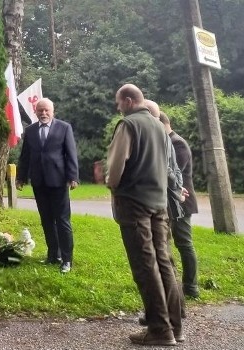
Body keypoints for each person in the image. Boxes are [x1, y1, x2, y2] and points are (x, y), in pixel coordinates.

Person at [106, 84, 183, 346]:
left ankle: (159, 330)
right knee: (164, 262)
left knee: (145, 265)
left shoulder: (128, 125)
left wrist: (109, 182)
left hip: (134, 203)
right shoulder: (160, 127)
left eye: (119, 103)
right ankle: (175, 326)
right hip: (158, 203)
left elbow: (116, 169)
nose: (118, 108)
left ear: (128, 101)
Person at [15, 98, 79, 273]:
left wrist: (73, 177)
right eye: (40, 110)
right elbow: (25, 156)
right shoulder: (30, 131)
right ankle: (53, 255)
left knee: (63, 221)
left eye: (47, 110)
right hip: (39, 181)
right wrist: (20, 177)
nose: (43, 113)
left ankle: (67, 260)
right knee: (46, 220)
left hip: (58, 181)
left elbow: (71, 154)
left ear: (53, 111)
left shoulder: (64, 128)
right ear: (35, 112)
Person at [160, 112, 200, 298]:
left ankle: (191, 287)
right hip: (173, 200)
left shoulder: (177, 143)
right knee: (171, 242)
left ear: (162, 124)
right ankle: (175, 284)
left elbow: (178, 171)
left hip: (182, 201)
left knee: (184, 243)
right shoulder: (169, 141)